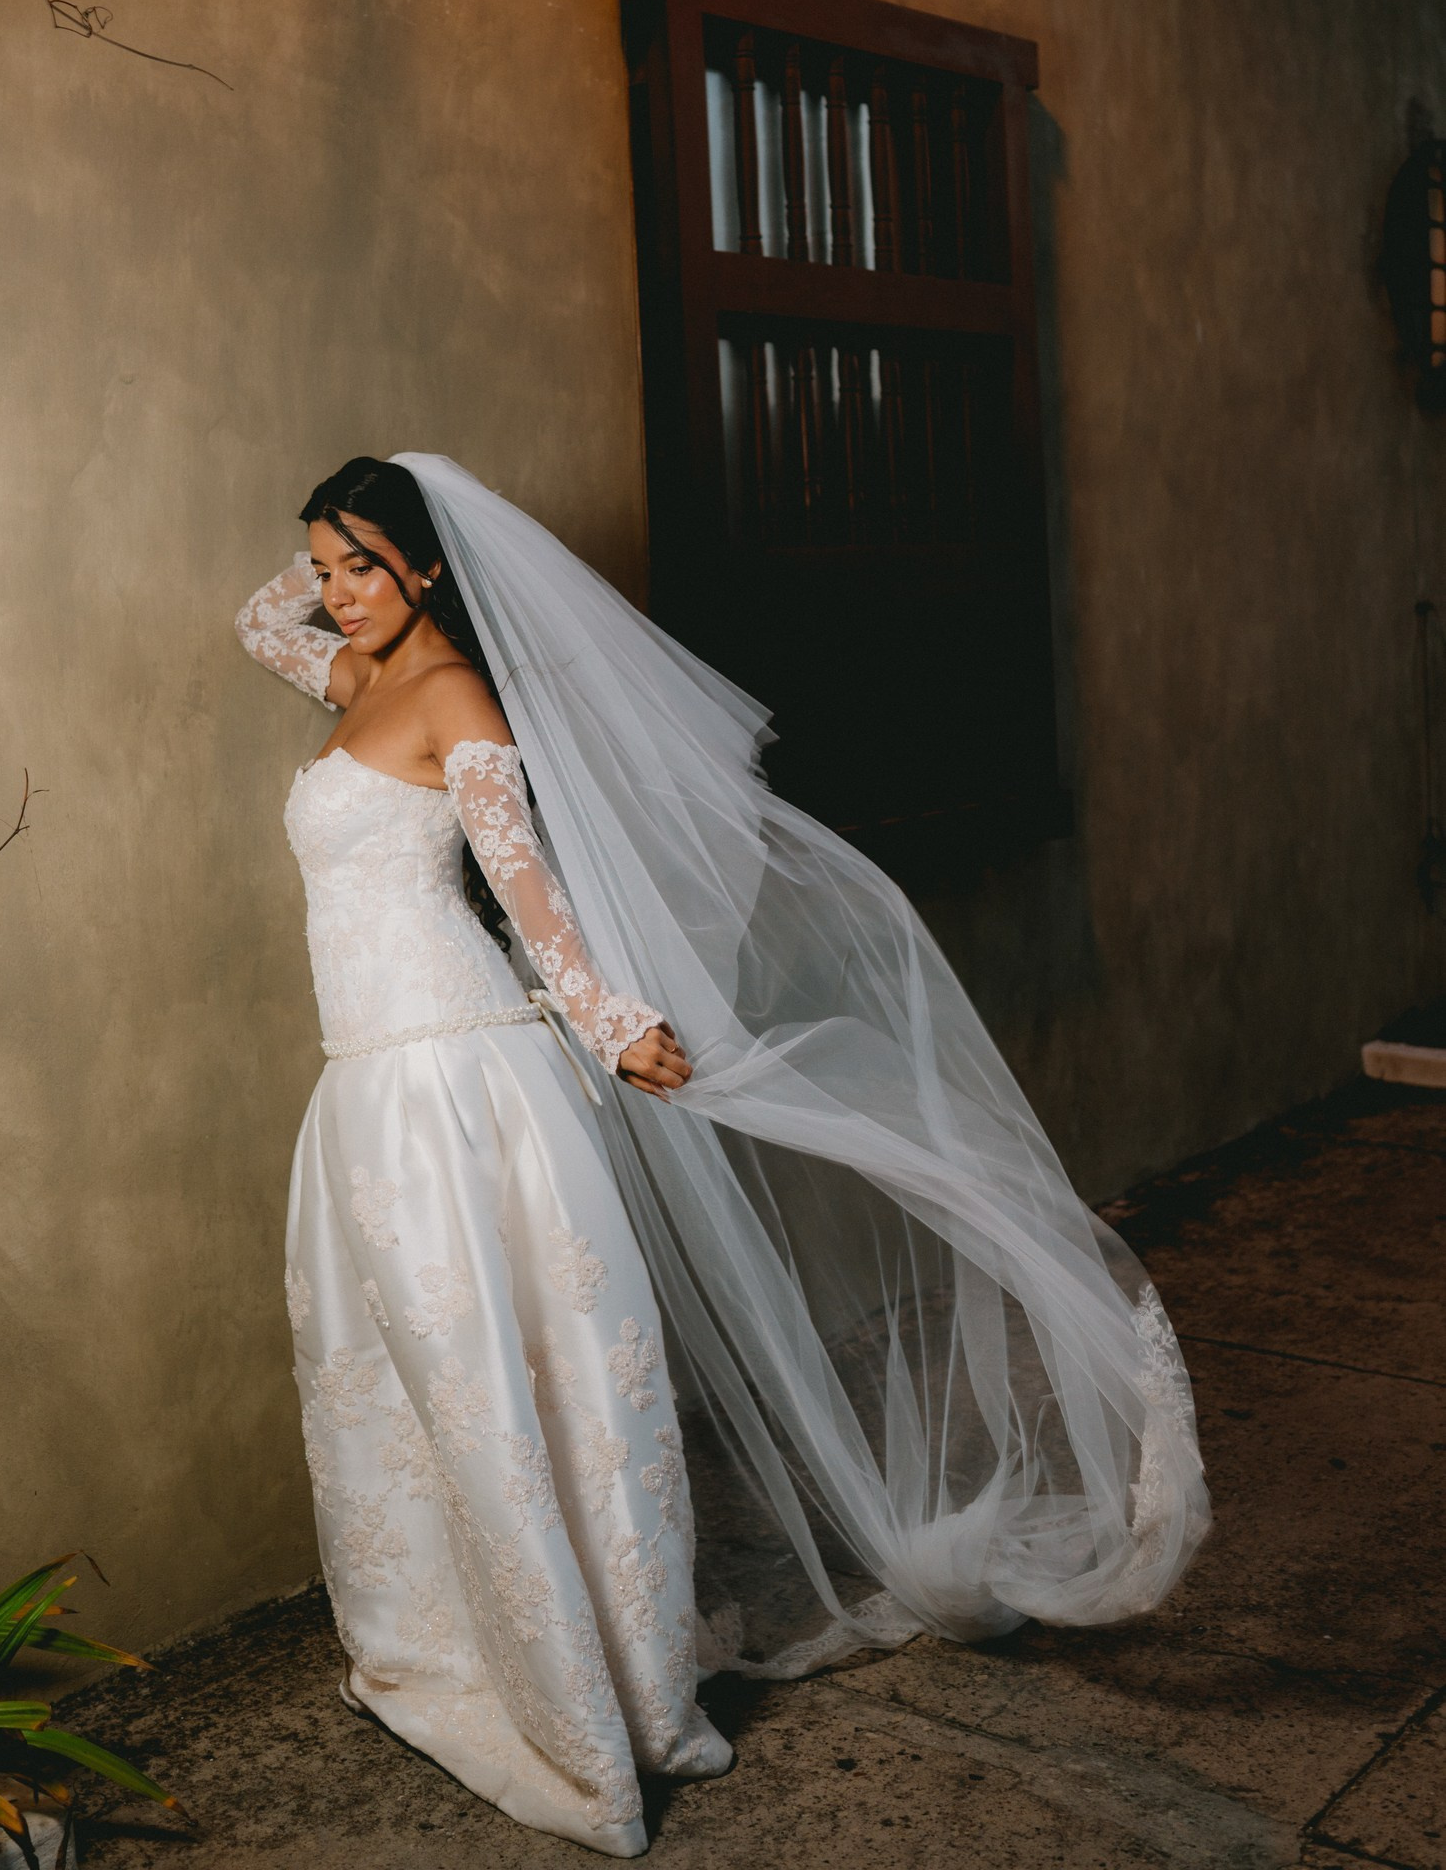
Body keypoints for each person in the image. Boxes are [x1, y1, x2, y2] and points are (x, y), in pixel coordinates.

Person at [237, 453, 1208, 1857]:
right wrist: (373, 509)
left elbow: (531, 897)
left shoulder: (451, 698)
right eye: (324, 566)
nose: (328, 595)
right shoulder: (353, 676)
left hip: (457, 1080)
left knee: (512, 1380)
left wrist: (614, 1022)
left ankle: (587, 1703)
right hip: (368, 1092)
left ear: (431, 571)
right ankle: (450, 1644)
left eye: (360, 568)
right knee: (404, 1383)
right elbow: (260, 626)